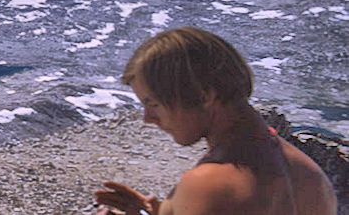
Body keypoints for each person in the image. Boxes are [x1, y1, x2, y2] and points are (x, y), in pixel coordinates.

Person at [94, 27, 336, 215]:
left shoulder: (210, 184)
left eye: (154, 104)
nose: (148, 119)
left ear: (204, 95)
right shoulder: (308, 173)